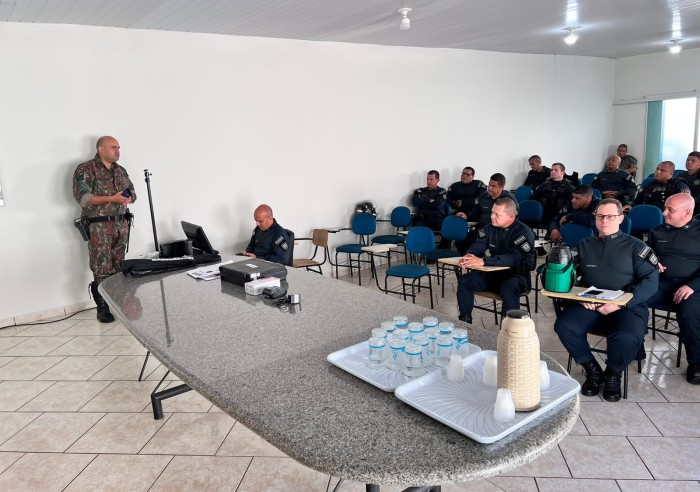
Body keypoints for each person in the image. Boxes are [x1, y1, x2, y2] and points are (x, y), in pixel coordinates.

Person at [553, 199, 659, 402]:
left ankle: (613, 374)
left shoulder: (636, 247)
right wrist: (578, 296)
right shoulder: (584, 245)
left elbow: (651, 280)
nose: (604, 220)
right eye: (600, 216)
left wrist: (621, 303)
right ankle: (591, 369)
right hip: (590, 303)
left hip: (626, 305)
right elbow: (568, 275)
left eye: (610, 216)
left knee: (627, 335)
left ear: (620, 218)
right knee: (564, 326)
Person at [73, 136, 136, 323]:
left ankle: (117, 302)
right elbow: (83, 197)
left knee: (118, 267)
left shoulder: (120, 170)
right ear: (101, 149)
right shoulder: (86, 169)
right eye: (113, 147)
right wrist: (112, 199)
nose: (118, 151)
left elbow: (133, 192)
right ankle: (103, 308)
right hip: (99, 225)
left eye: (119, 147)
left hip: (121, 224)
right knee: (101, 267)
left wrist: (129, 198)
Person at [646, 193, 700, 384]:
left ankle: (696, 362)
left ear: (687, 212)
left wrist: (692, 286)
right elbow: (646, 252)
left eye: (670, 210)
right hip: (662, 283)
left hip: (694, 286)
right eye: (665, 207)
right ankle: (634, 345)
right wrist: (652, 262)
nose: (664, 213)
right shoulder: (658, 230)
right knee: (634, 299)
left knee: (689, 312)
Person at [456, 198, 535, 324]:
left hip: (515, 275)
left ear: (510, 216)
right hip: (493, 273)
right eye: (492, 212)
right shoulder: (489, 228)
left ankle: (509, 327)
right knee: (465, 281)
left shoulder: (523, 232)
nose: (492, 216)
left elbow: (514, 258)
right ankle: (465, 322)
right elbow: (478, 246)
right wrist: (468, 257)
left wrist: (483, 261)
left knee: (510, 288)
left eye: (497, 214)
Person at [460, 173, 516, 254]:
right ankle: (470, 260)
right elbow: (475, 213)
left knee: (479, 240)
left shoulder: (508, 200)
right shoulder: (483, 196)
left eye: (494, 186)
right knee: (463, 240)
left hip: (500, 230)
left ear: (502, 187)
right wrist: (466, 216)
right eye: (489, 184)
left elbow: (513, 219)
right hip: (483, 228)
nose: (490, 188)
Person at [624, 161, 689, 211]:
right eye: (657, 169)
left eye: (662, 170)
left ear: (671, 174)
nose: (658, 172)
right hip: (646, 213)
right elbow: (638, 199)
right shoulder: (649, 184)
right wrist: (630, 205)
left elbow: (682, 207)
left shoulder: (679, 186)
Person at [412, 170, 449, 248]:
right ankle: (426, 256)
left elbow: (438, 206)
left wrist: (422, 202)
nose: (428, 181)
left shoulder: (441, 191)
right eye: (427, 179)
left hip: (437, 219)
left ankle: (440, 252)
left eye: (431, 179)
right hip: (423, 219)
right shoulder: (420, 191)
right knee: (416, 231)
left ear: (437, 180)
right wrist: (428, 200)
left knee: (449, 231)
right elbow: (415, 202)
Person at [532, 162, 575, 227]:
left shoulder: (569, 187)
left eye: (556, 170)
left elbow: (572, 204)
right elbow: (534, 197)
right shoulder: (544, 185)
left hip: (559, 215)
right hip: (544, 213)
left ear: (563, 172)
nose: (553, 172)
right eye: (552, 170)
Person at [677, 151, 700, 215]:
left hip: (696, 208)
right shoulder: (680, 176)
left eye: (693, 160)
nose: (689, 162)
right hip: (681, 206)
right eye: (688, 160)